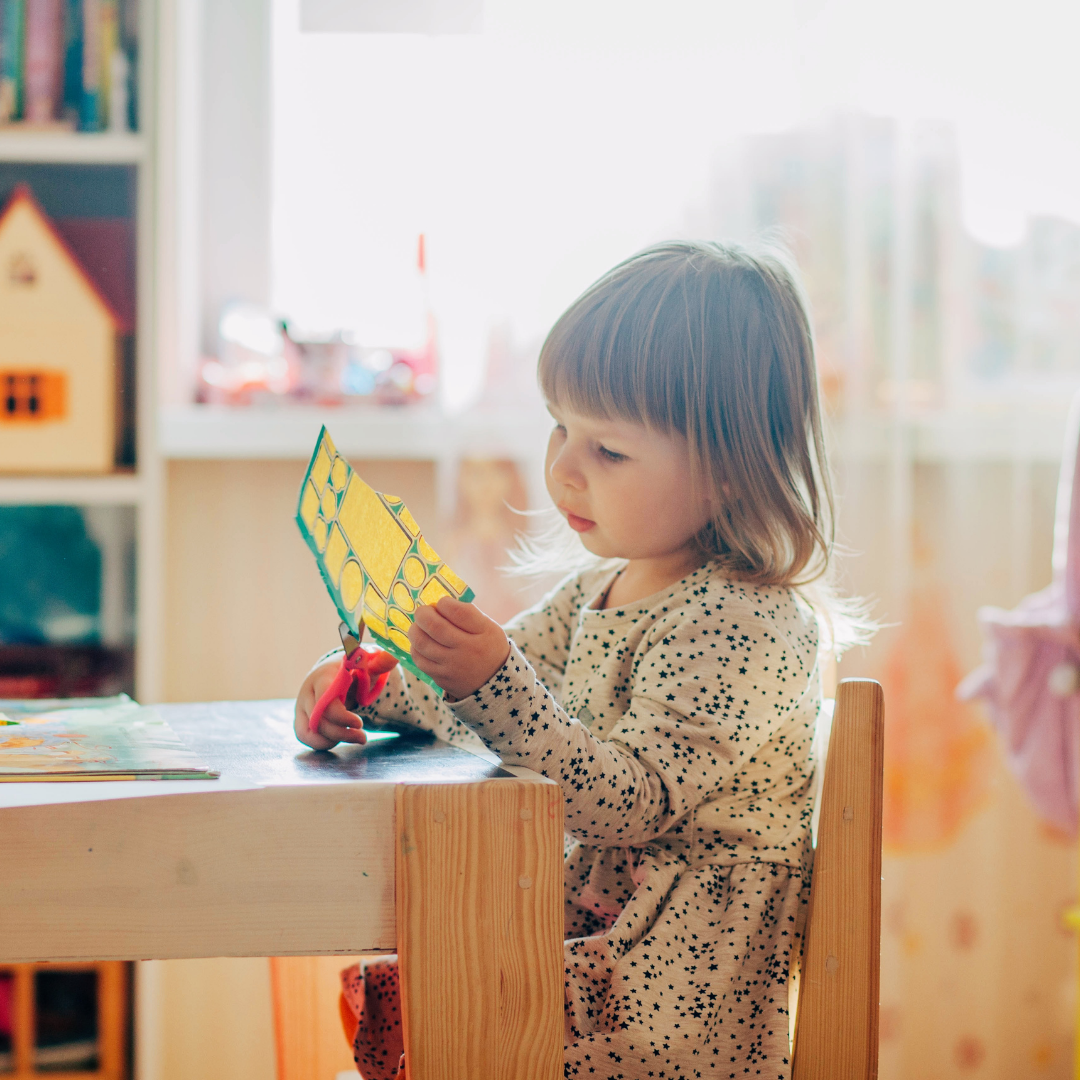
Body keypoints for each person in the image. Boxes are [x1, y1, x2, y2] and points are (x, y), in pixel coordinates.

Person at [295, 240, 864, 1080]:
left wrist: (492, 684)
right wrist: (377, 688)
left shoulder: (751, 624)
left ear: (732, 473)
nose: (562, 468)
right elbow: (494, 707)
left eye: (610, 452)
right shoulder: (602, 587)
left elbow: (627, 801)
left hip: (668, 1005)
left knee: (445, 1008)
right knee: (430, 985)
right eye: (562, 426)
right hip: (595, 950)